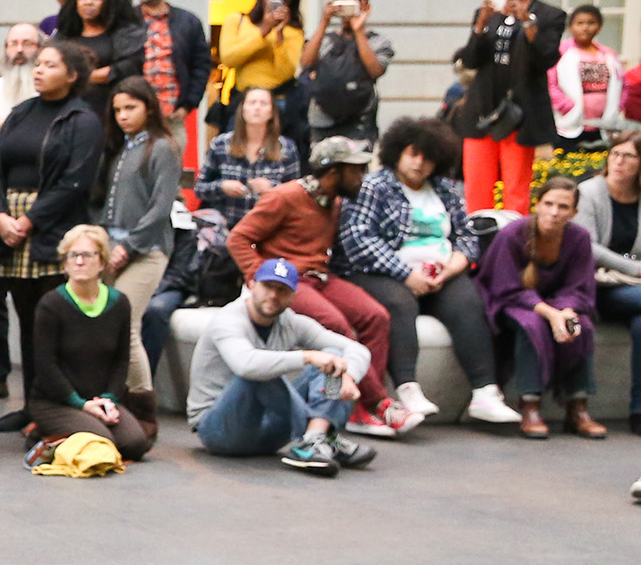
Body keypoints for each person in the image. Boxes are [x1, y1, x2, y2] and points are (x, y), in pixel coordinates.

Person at [227, 133, 415, 436]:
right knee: (337, 327)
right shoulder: (284, 197)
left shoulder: (334, 201)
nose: (362, 178)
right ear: (331, 172)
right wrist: (259, 280)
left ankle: (362, 407)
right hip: (288, 281)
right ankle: (369, 403)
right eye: (356, 170)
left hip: (321, 278)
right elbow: (238, 238)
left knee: (375, 316)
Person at [333, 116, 512, 426]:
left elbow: (467, 237)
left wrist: (451, 269)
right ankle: (407, 388)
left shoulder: (446, 189)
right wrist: (406, 274)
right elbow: (358, 239)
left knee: (468, 301)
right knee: (399, 303)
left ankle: (485, 391)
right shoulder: (374, 186)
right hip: (380, 273)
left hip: (439, 272)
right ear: (398, 152)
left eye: (428, 157)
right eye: (413, 153)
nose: (419, 163)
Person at [0, 41, 103, 408]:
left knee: (48, 325)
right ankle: (30, 407)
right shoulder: (20, 112)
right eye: (39, 64)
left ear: (72, 74)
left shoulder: (82, 120)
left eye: (49, 65)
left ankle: (51, 408)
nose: (39, 70)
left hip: (51, 230)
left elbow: (74, 184)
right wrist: (0, 217)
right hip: (8, 228)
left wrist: (29, 221)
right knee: (25, 323)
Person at [187, 257, 377, 475]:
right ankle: (317, 437)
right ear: (251, 285)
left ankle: (314, 438)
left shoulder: (292, 322)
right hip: (220, 431)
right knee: (257, 373)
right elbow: (245, 365)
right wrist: (306, 356)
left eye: (282, 290)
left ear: (294, 296)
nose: (274, 295)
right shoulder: (228, 320)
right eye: (268, 287)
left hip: (271, 433)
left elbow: (356, 350)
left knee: (333, 357)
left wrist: (348, 375)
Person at [485, 177, 606, 438]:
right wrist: (550, 313)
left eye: (563, 207)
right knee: (532, 325)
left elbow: (578, 286)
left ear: (574, 212)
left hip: (559, 303)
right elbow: (505, 287)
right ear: (537, 205)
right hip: (511, 301)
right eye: (548, 204)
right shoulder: (512, 235)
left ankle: (577, 405)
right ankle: (530, 403)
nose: (554, 212)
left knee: (580, 326)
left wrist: (565, 311)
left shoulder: (579, 238)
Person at [25, 225, 153, 461]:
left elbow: (120, 360)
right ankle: (42, 432)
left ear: (102, 263)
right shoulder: (51, 305)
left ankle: (81, 427)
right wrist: (80, 404)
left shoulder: (119, 303)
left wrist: (110, 400)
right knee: (102, 443)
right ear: (65, 263)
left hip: (99, 399)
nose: (79, 262)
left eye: (87, 255)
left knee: (136, 443)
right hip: (56, 401)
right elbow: (45, 366)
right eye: (73, 256)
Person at [458, 0, 567, 214]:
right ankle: (475, 253)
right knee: (476, 190)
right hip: (482, 109)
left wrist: (527, 22)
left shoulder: (550, 15)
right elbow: (471, 60)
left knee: (516, 190)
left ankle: (511, 250)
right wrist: (480, 26)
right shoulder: (489, 11)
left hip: (520, 112)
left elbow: (546, 58)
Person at [100, 76, 179, 379]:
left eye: (130, 108)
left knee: (126, 327)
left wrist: (129, 247)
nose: (123, 116)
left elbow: (160, 209)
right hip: (110, 245)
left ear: (148, 108)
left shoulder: (162, 148)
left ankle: (142, 403)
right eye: (118, 110)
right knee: (105, 328)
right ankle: (113, 399)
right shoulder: (120, 147)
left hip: (147, 250)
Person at [576, 131, 641, 429]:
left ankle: (639, 411)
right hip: (597, 285)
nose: (619, 161)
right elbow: (588, 247)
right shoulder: (590, 192)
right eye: (615, 153)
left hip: (630, 290)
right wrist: (634, 269)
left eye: (628, 156)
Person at [302, 0, 395, 149]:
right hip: (322, 118)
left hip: (360, 120)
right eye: (342, 2)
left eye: (353, 2)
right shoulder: (326, 39)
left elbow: (375, 70)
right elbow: (306, 62)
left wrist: (358, 30)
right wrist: (324, 21)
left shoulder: (377, 41)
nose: (346, 9)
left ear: (365, 5)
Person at [216, 0, 307, 144]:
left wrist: (279, 36)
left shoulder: (292, 32)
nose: (278, 2)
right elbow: (229, 58)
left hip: (278, 102)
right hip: (243, 101)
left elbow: (285, 73)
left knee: (276, 155)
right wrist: (264, 30)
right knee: (235, 152)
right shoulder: (238, 20)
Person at [197, 82, 299, 228]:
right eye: (252, 103)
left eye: (263, 103)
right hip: (227, 229)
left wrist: (273, 189)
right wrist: (222, 187)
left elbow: (297, 196)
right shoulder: (220, 145)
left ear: (271, 112)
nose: (257, 108)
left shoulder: (287, 148)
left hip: (269, 229)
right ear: (242, 109)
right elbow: (200, 189)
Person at [133, 0, 216, 120]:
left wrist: (187, 106)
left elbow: (201, 66)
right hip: (134, 113)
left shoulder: (188, 22)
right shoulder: (127, 20)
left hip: (172, 114)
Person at [59, 0, 145, 116]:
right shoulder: (65, 36)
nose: (88, 2)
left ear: (110, 2)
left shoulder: (124, 35)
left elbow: (127, 67)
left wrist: (82, 77)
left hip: (111, 109)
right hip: (70, 108)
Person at [550, 3, 626, 149]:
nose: (585, 27)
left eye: (591, 23)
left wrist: (617, 107)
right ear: (570, 27)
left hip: (602, 126)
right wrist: (568, 107)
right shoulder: (561, 53)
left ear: (599, 26)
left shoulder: (609, 54)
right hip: (571, 125)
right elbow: (550, 83)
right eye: (580, 23)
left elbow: (623, 85)